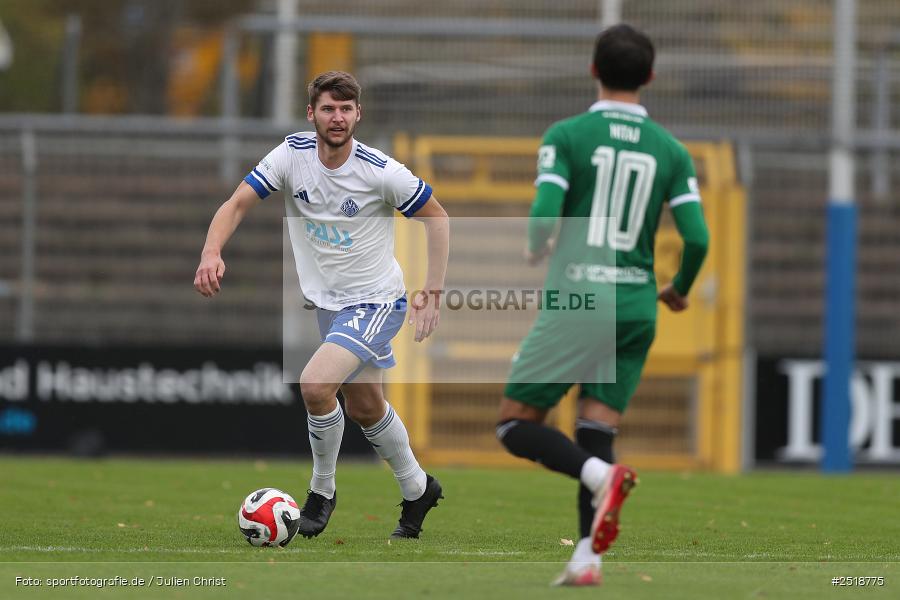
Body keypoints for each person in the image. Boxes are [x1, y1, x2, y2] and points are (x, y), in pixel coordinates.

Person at [194, 71, 450, 540]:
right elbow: (236, 204)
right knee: (366, 407)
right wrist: (212, 251)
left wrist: (432, 291)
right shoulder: (291, 156)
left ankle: (321, 492)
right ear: (311, 113)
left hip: (377, 301)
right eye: (328, 108)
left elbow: (437, 218)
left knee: (315, 385)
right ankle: (419, 489)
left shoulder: (380, 171)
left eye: (346, 109)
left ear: (358, 114)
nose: (337, 117)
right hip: (330, 305)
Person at [497, 24, 710, 586]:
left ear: (593, 69)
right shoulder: (672, 151)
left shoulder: (568, 135)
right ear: (651, 76)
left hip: (580, 299)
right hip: (636, 305)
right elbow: (698, 238)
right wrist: (680, 287)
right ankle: (586, 560)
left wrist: (536, 245)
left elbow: (545, 215)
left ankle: (601, 478)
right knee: (596, 430)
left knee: (514, 425)